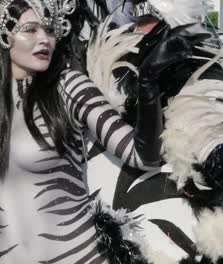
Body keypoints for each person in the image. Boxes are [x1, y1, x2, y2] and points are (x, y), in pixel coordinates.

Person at [0, 0, 163, 262]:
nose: (44, 39)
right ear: (5, 34)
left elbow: (143, 156)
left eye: (50, 30)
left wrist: (150, 89)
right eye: (30, 29)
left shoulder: (68, 87)